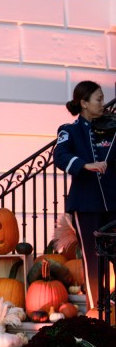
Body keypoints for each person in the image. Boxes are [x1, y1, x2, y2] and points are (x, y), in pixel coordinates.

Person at [54, 80, 116, 311]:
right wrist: (85, 165)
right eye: (98, 99)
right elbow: (60, 156)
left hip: (113, 202)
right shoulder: (68, 130)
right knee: (92, 258)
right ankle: (96, 309)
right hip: (86, 205)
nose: (103, 104)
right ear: (84, 103)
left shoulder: (111, 128)